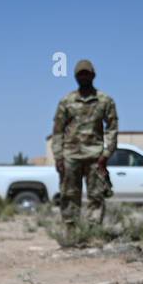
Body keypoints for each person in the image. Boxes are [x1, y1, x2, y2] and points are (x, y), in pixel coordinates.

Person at [50, 60, 118, 231]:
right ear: (75, 77)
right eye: (80, 74)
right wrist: (58, 157)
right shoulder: (66, 101)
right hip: (71, 156)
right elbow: (57, 131)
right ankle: (71, 233)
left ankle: (93, 233)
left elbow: (112, 128)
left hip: (95, 156)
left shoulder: (105, 100)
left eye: (86, 73)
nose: (83, 77)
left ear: (93, 75)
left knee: (96, 196)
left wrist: (106, 153)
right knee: (69, 195)